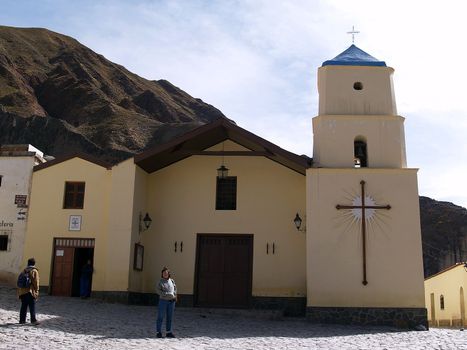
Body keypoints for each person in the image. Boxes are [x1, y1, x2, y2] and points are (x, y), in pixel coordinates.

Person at [155, 267, 177, 338]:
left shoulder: (172, 281)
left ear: (169, 274)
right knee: (160, 317)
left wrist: (175, 295)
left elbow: (175, 289)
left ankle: (168, 332)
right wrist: (167, 294)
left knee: (169, 317)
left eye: (166, 273)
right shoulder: (160, 282)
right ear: (162, 274)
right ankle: (158, 332)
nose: (165, 274)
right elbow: (158, 291)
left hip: (171, 302)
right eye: (164, 273)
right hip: (163, 301)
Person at [17, 257, 40, 325]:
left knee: (23, 306)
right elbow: (36, 282)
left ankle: (22, 320)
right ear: (34, 264)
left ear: (28, 263)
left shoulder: (24, 270)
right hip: (30, 291)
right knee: (32, 306)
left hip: (23, 291)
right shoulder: (34, 271)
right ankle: (33, 320)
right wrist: (37, 290)